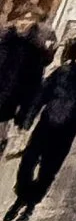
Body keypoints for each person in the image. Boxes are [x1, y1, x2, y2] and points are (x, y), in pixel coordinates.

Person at [5, 37, 76, 221]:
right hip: (47, 123)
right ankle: (22, 196)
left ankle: (31, 205)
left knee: (48, 169)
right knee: (28, 161)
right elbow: (42, 94)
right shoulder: (62, 71)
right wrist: (28, 119)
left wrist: (75, 117)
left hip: (66, 129)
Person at [0, 18, 50, 158]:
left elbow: (44, 62)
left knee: (13, 117)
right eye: (21, 18)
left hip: (22, 87)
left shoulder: (36, 44)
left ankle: (6, 141)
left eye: (28, 19)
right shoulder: (6, 39)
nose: (23, 23)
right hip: (4, 83)